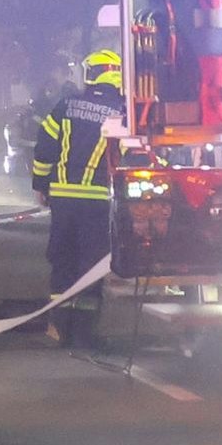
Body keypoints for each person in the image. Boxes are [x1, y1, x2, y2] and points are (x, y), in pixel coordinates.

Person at [30, 47, 126, 348]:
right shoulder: (124, 111)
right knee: (91, 266)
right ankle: (85, 335)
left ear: (93, 75)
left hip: (63, 200)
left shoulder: (65, 106)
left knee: (63, 261)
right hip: (99, 201)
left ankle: (60, 329)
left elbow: (44, 148)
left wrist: (41, 185)